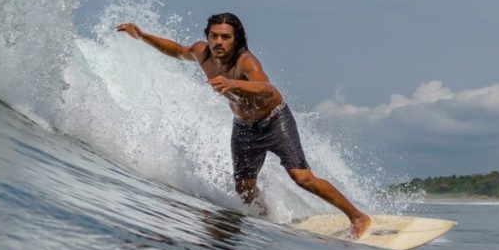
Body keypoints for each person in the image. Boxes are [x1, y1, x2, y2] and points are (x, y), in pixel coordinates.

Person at [116, 13, 371, 238]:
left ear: (236, 39)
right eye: (214, 36)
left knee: (302, 178)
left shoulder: (245, 61)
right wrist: (142, 36)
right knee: (244, 189)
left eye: (225, 37)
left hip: (274, 121)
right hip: (244, 128)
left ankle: (358, 217)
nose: (218, 42)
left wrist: (234, 84)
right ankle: (267, 218)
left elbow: (267, 89)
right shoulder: (201, 52)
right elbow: (177, 51)